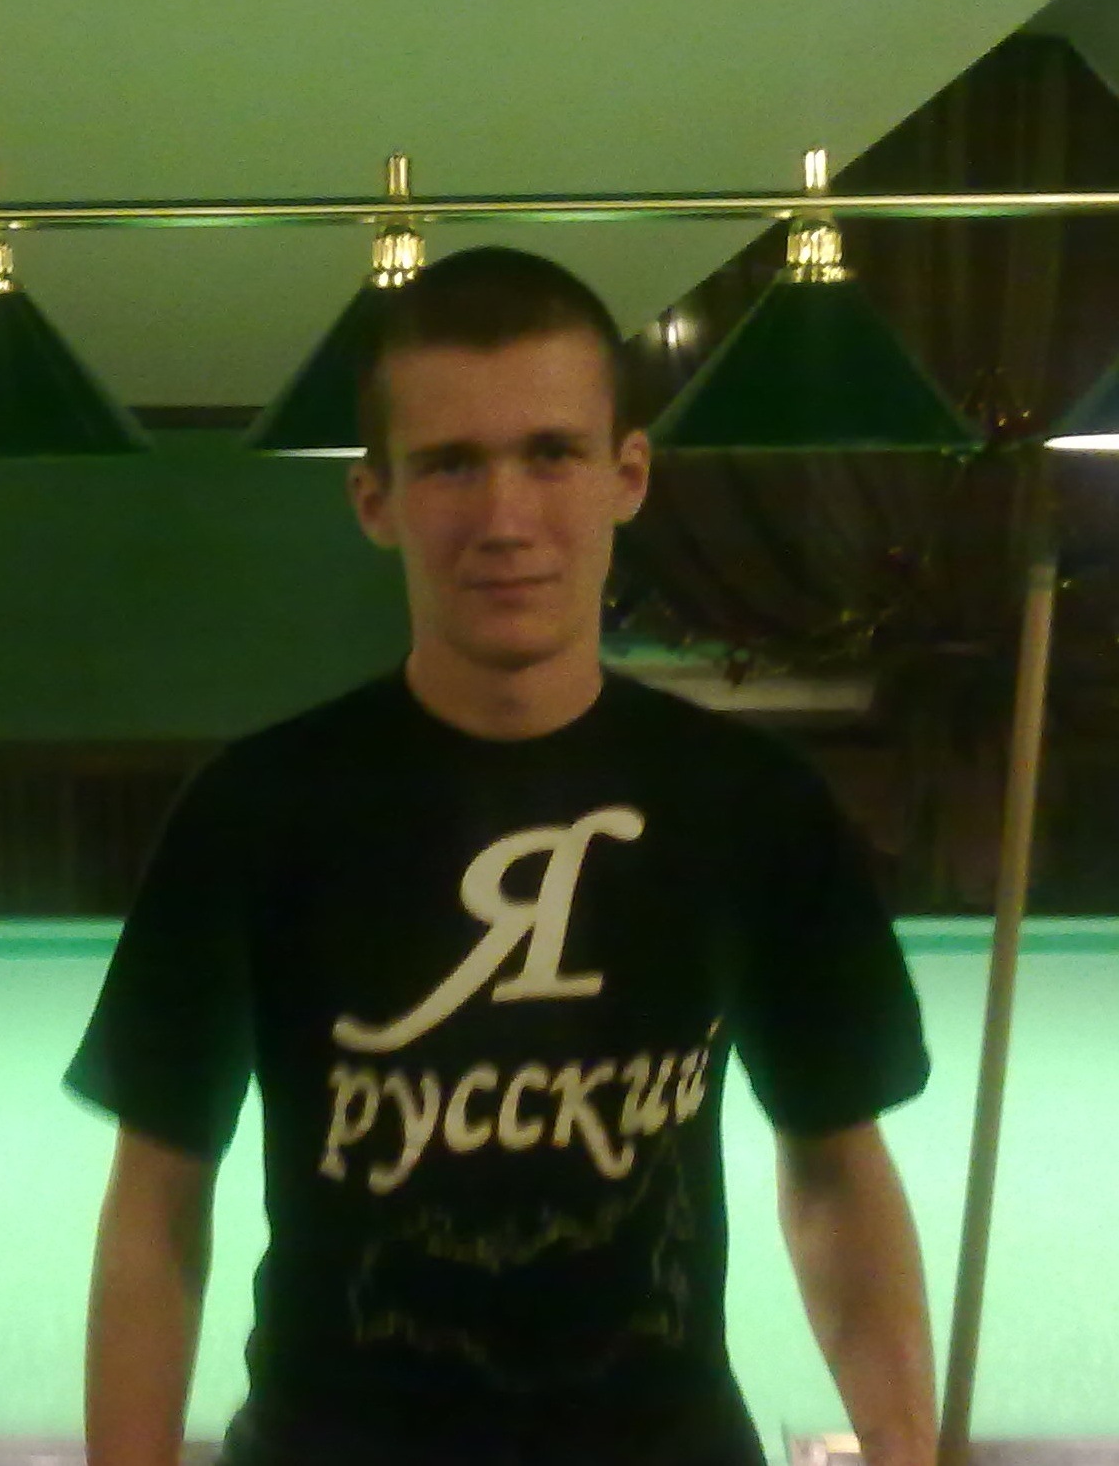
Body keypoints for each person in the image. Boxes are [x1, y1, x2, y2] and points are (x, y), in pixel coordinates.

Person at [64, 246, 935, 1466]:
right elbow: (159, 1205)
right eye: (450, 464)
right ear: (375, 499)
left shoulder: (755, 803)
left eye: (551, 454)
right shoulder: (255, 810)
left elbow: (837, 1167)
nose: (505, 518)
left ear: (628, 475)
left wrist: (906, 1442)